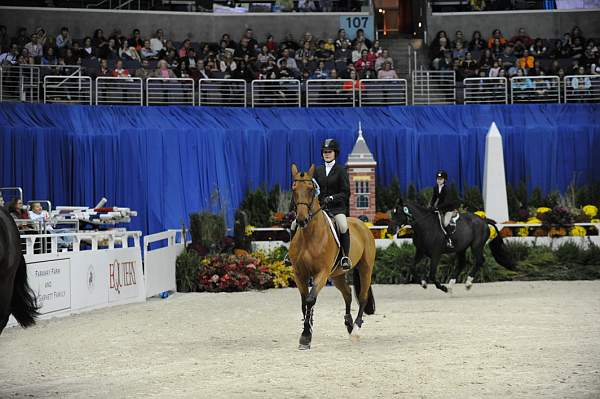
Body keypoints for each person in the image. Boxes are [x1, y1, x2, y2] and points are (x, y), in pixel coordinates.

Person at [429, 170, 458, 248]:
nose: (439, 180)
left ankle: (450, 240)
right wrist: (430, 206)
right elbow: (434, 198)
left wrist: (437, 207)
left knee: (445, 223)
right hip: (440, 208)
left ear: (444, 180)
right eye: (438, 179)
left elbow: (447, 202)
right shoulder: (435, 187)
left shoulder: (446, 189)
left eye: (441, 179)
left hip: (448, 209)